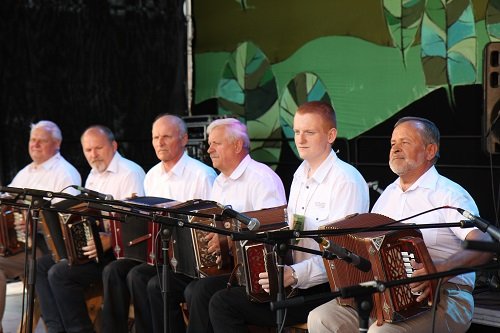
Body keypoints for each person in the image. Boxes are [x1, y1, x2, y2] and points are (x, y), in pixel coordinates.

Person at [307, 116, 494, 333]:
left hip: (444, 296)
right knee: (321, 318)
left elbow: (485, 242)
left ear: (430, 151)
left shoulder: (449, 194)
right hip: (386, 294)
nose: (395, 149)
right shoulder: (388, 194)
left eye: (405, 142)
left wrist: (438, 271)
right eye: (393, 143)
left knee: (382, 332)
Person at [207, 101, 370, 332]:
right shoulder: (300, 174)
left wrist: (293, 275)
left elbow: (343, 257)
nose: (300, 139)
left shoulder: (346, 180)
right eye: (296, 132)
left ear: (331, 135)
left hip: (327, 288)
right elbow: (291, 232)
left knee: (223, 303)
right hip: (295, 279)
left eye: (309, 132)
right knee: (210, 290)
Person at [104, 114, 217, 333]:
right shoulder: (152, 175)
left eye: (166, 136)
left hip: (189, 259)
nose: (159, 142)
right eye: (155, 137)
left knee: (152, 282)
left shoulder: (202, 174)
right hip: (159, 253)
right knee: (127, 273)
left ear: (184, 139)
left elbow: (208, 222)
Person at [35, 125, 146, 333]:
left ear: (114, 146)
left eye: (98, 148)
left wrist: (112, 238)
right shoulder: (94, 174)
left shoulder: (130, 173)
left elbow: (137, 223)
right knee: (41, 265)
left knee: (59, 273)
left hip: (118, 253)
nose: (93, 155)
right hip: (94, 246)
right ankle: (56, 328)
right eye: (88, 150)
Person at [183, 117, 289, 333]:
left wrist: (229, 240)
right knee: (192, 287)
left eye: (216, 143)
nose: (209, 149)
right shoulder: (220, 182)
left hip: (261, 275)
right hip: (232, 268)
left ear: (237, 145)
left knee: (202, 291)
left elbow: (273, 233)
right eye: (209, 143)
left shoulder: (262, 179)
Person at [0, 120, 81, 333]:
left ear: (57, 144)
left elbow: (66, 223)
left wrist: (32, 223)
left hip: (46, 248)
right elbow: (8, 204)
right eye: (32, 140)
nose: (35, 145)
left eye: (41, 141)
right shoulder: (26, 172)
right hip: (20, 245)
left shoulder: (65, 173)